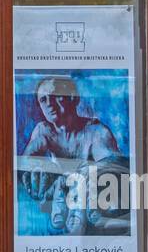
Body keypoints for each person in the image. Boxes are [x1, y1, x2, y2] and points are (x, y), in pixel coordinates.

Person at [18, 76, 125, 235]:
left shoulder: (95, 131)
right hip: (63, 202)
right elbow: (25, 165)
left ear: (73, 98)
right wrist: (37, 171)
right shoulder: (44, 130)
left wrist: (80, 178)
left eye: (54, 96)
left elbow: (114, 164)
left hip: (95, 201)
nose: (49, 103)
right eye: (43, 100)